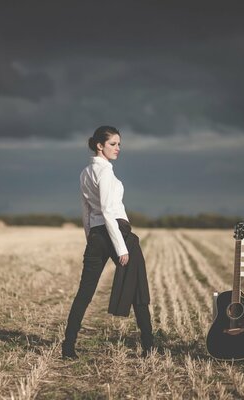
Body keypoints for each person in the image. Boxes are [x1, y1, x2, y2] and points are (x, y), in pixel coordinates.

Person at [62, 125, 154, 360]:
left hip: (96, 235)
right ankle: (150, 346)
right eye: (113, 144)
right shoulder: (105, 173)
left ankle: (68, 346)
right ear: (99, 145)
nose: (118, 148)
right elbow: (105, 210)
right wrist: (121, 247)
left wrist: (90, 238)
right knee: (137, 287)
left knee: (84, 292)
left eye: (119, 144)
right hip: (117, 233)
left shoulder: (84, 173)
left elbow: (86, 212)